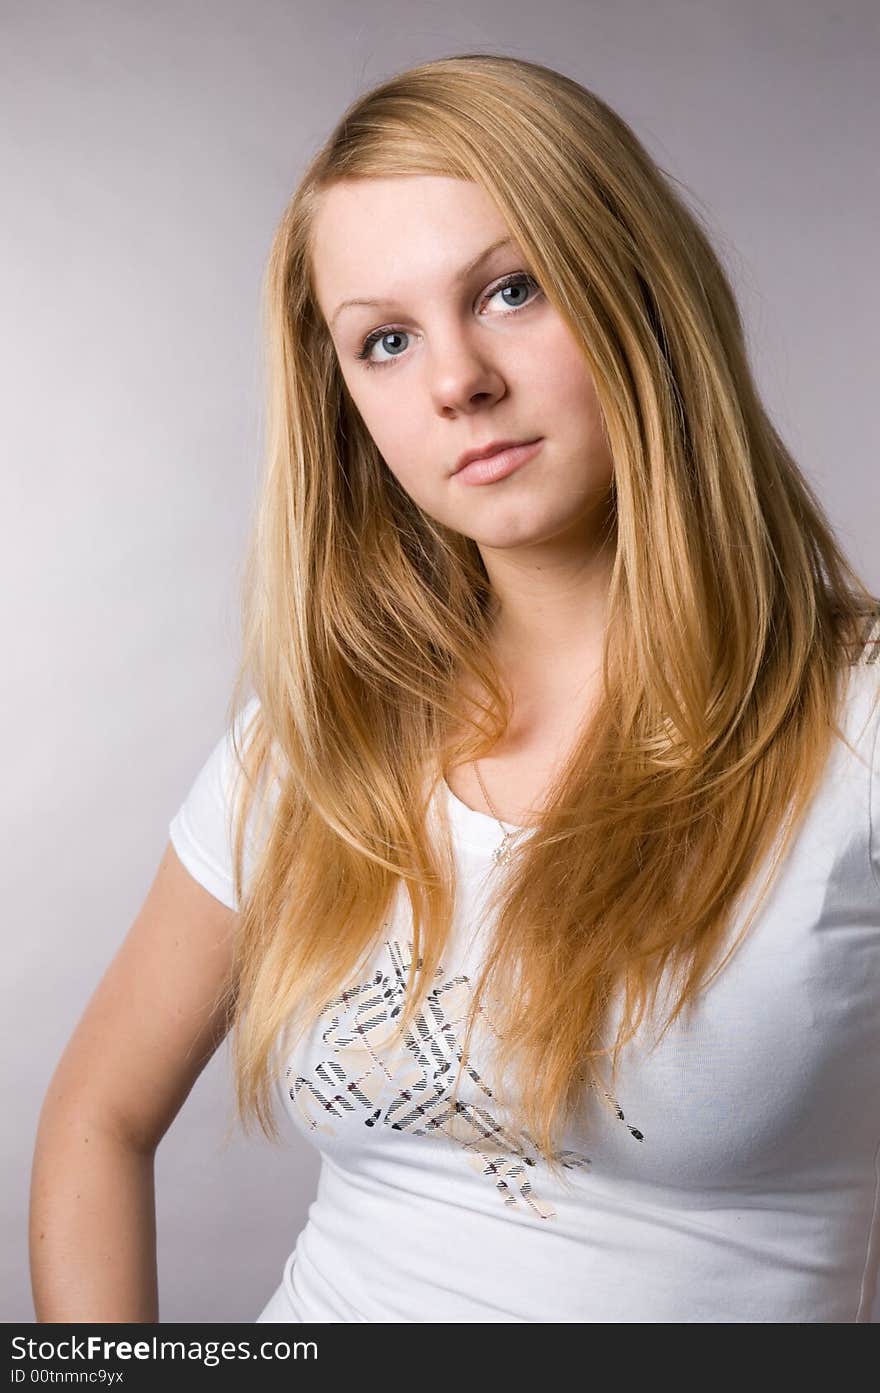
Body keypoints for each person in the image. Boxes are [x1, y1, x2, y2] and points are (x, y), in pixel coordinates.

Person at [29, 53, 880, 1325]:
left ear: (637, 286)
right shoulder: (314, 743)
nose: (455, 381)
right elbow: (95, 1115)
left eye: (511, 290)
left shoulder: (855, 727)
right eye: (384, 340)